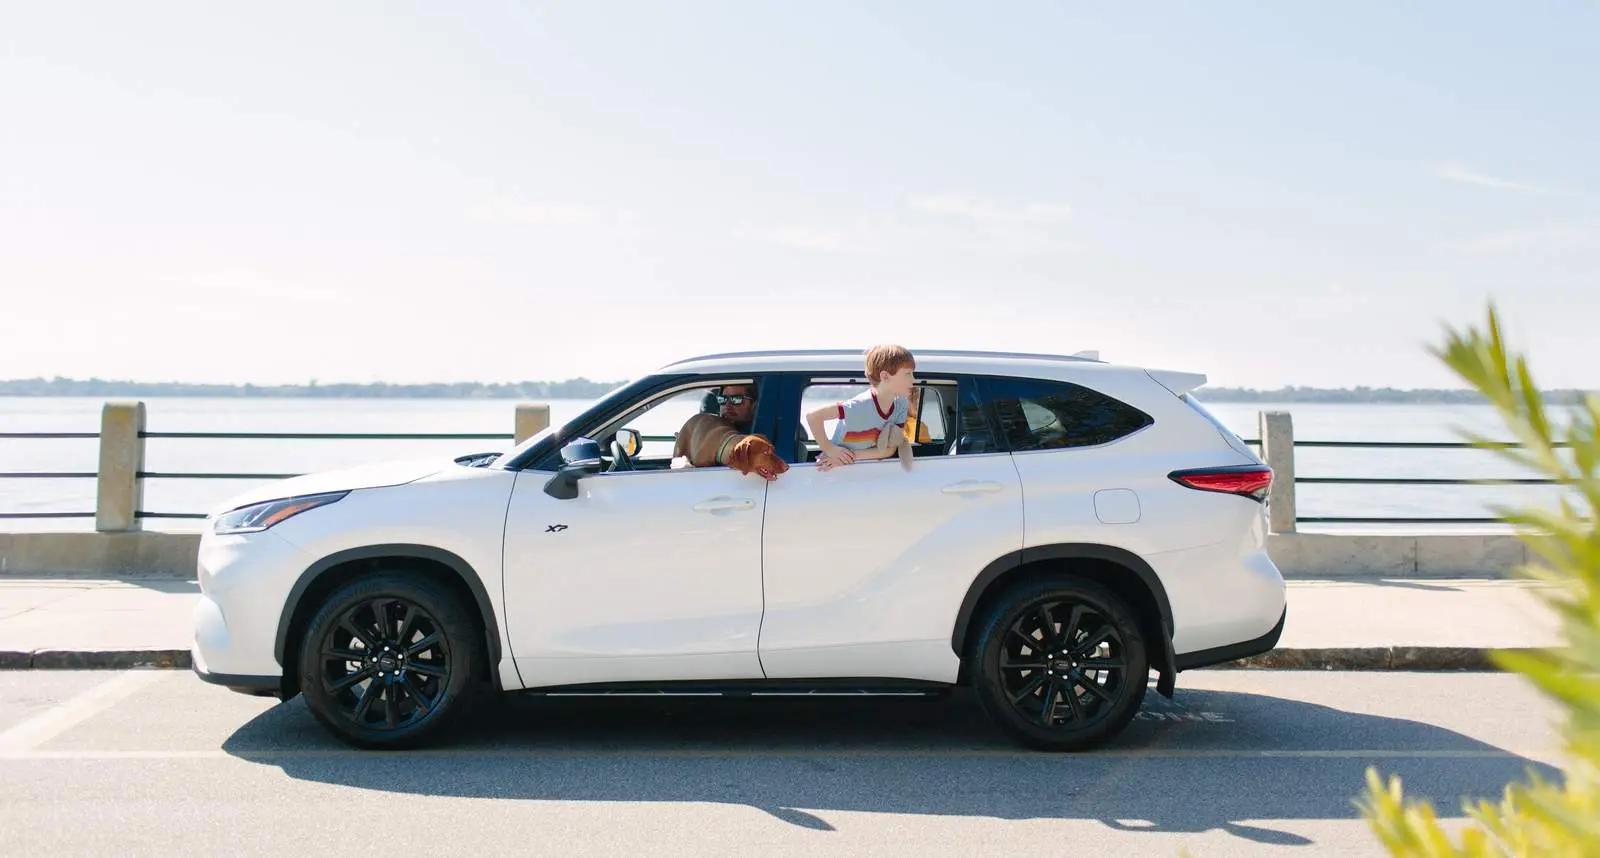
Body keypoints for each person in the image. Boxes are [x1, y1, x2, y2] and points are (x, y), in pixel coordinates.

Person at [806, 345, 916, 470]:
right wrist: (830, 450)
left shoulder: (901, 405)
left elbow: (889, 450)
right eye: (907, 374)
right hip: (832, 469)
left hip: (855, 466)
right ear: (885, 377)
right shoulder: (858, 405)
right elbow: (813, 416)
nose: (913, 379)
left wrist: (847, 457)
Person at [671, 384, 787, 480]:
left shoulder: (763, 436)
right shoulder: (705, 430)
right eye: (722, 399)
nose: (727, 405)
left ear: (754, 405)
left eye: (737, 399)